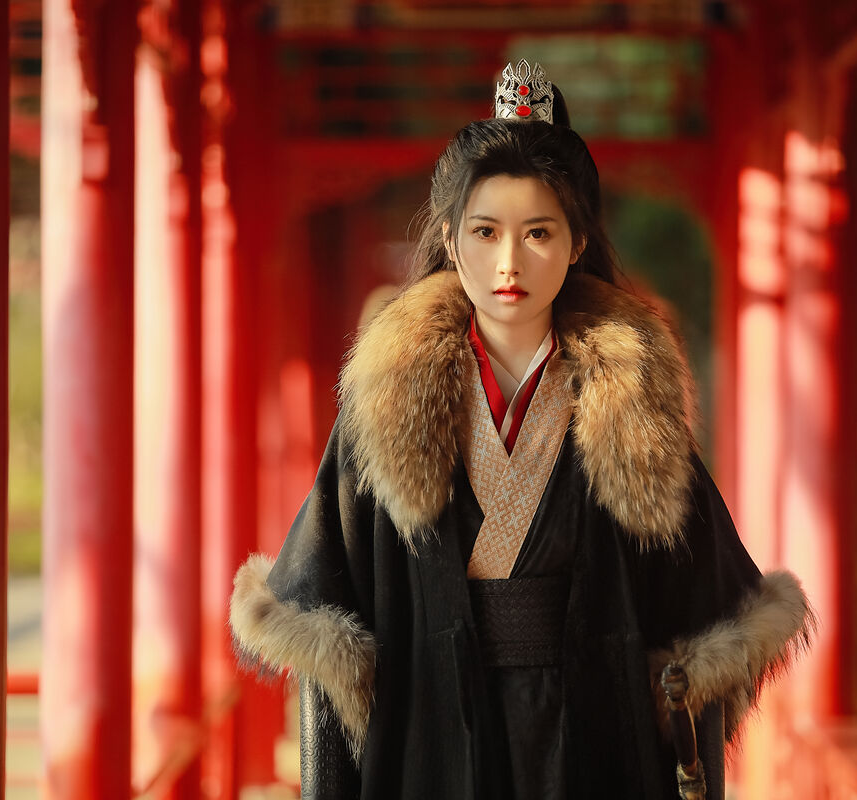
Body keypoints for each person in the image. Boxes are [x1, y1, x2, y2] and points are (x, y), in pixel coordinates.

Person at [230, 60, 813, 799]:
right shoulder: (385, 403)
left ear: (577, 241)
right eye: (486, 232)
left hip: (597, 735)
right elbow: (329, 620)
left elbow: (699, 619)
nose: (510, 262)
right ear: (452, 240)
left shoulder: (634, 403)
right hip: (430, 725)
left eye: (539, 232)